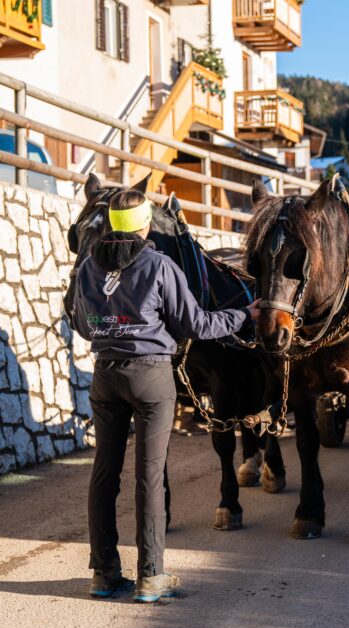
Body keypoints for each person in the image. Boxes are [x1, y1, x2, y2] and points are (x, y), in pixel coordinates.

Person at [70, 189, 260, 603]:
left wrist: (113, 329)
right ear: (145, 224)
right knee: (148, 476)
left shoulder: (87, 267)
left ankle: (104, 574)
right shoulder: (160, 265)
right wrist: (245, 314)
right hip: (151, 378)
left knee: (104, 474)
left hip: (105, 377)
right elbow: (197, 324)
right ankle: (151, 575)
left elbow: (83, 327)